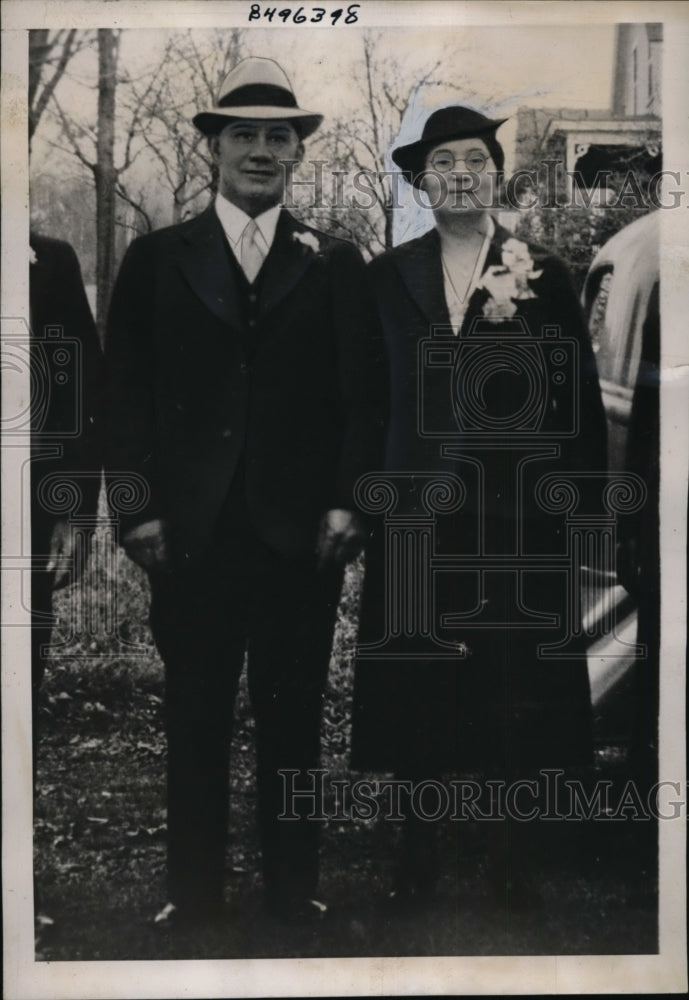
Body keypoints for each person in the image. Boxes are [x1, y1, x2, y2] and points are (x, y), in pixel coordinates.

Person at [105, 57, 386, 925]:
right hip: (189, 533)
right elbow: (124, 395)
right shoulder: (156, 259)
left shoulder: (336, 262)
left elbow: (365, 394)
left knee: (292, 712)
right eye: (244, 136)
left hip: (301, 533)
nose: (262, 151)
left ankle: (292, 890)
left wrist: (349, 501)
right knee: (194, 711)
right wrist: (136, 509)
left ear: (298, 153)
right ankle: (190, 897)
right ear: (213, 149)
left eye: (279, 137)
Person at [351, 106, 608, 907]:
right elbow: (361, 401)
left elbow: (577, 403)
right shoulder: (385, 277)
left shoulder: (544, 273)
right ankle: (415, 856)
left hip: (514, 522)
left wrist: (582, 505)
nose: (458, 172)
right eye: (441, 161)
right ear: (421, 180)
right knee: (418, 686)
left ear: (496, 175)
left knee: (511, 692)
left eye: (474, 159)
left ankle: (511, 856)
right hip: (418, 517)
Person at [29, 233, 105, 939]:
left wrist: (74, 510)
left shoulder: (47, 260)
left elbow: (79, 384)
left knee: (16, 698)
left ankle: (16, 889)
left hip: (20, 521)